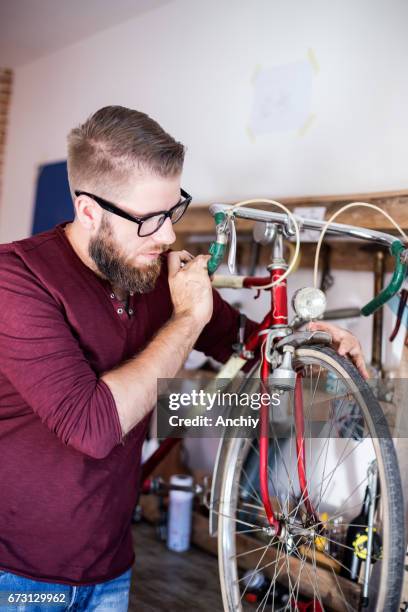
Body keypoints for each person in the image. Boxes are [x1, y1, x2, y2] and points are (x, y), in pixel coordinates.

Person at [0, 105, 367, 610]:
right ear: (90, 212)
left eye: (174, 210)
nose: (170, 236)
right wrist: (188, 320)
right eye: (151, 220)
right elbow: (93, 426)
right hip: (17, 577)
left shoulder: (152, 275)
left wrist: (313, 342)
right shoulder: (17, 280)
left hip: (109, 568)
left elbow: (251, 346)